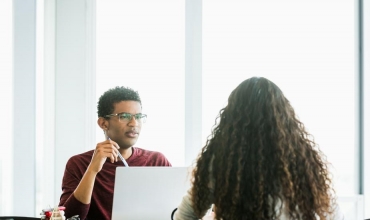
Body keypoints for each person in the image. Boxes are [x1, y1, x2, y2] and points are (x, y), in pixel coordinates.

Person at [175, 77, 344, 220]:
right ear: (283, 117)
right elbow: (334, 215)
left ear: (233, 118)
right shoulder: (300, 160)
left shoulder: (222, 162)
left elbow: (184, 216)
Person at [59, 86, 171, 220]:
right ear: (103, 123)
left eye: (138, 116)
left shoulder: (156, 162)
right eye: (124, 116)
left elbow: (177, 211)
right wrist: (92, 170)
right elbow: (69, 217)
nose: (134, 123)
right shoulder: (78, 164)